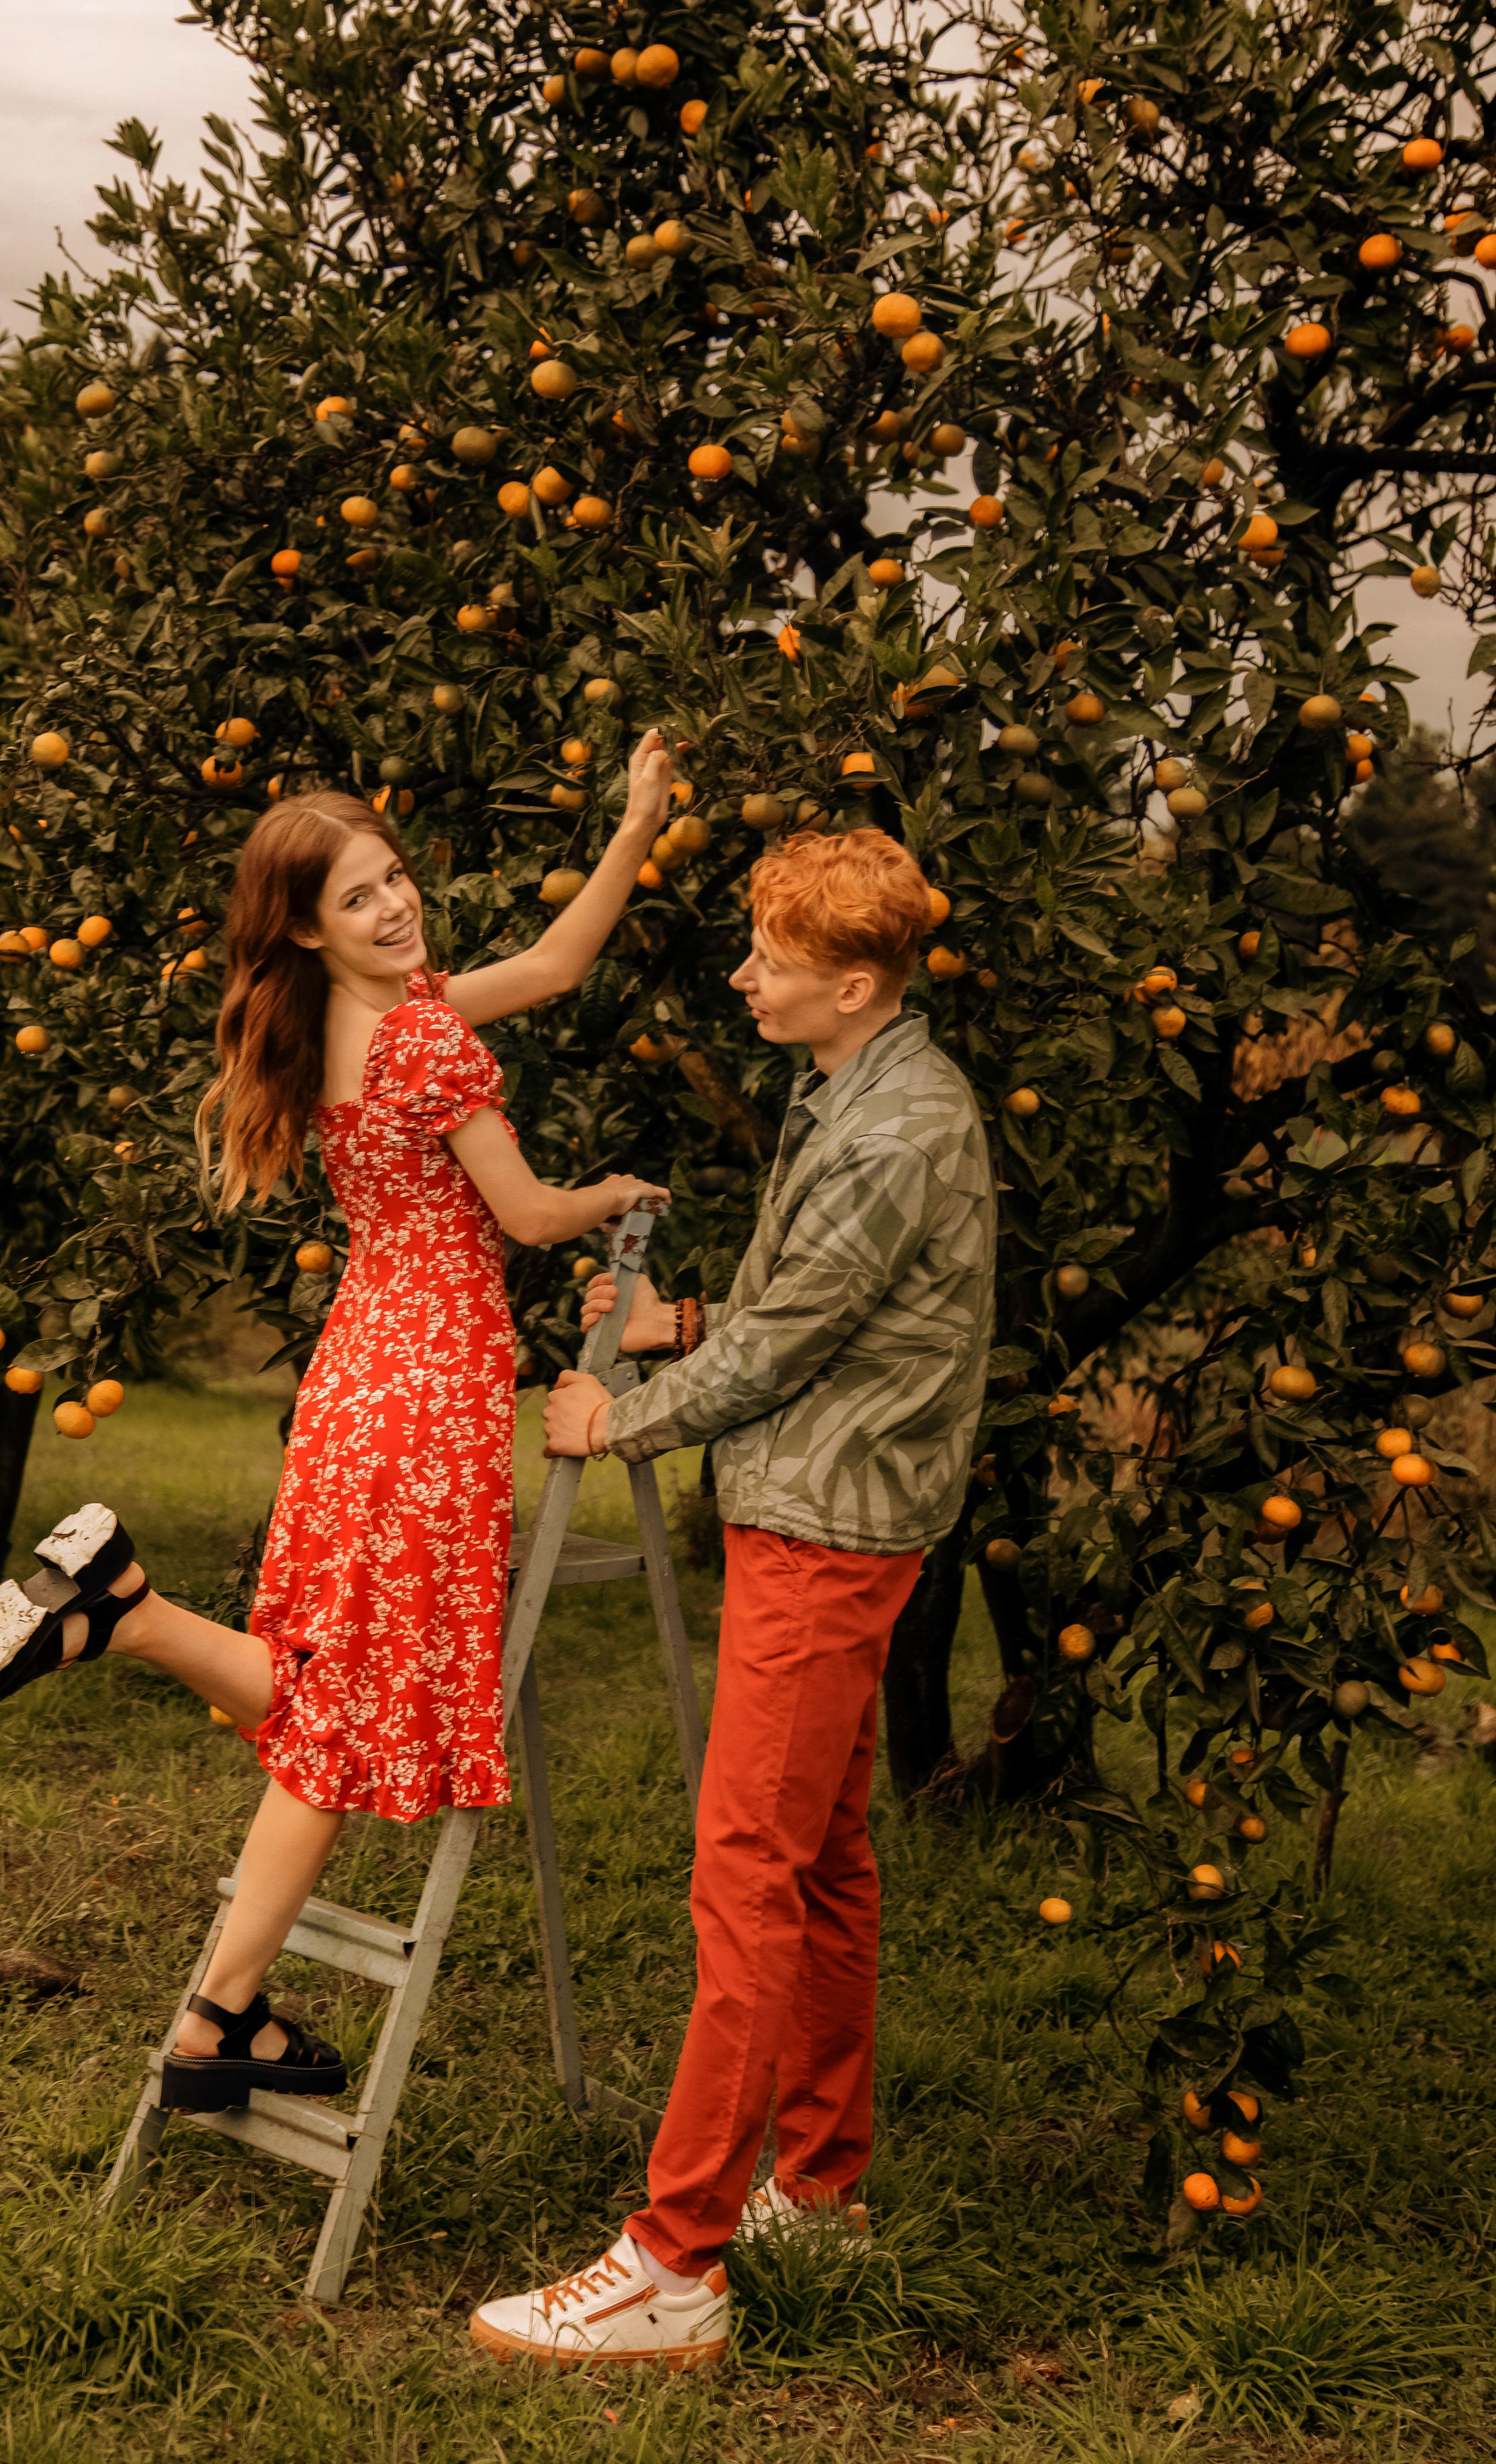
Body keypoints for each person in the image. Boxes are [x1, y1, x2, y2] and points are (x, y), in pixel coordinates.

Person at [0, 736, 672, 2114]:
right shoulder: (426, 1035)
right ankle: (135, 1640)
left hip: (354, 1381)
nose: (395, 905)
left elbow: (558, 963)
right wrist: (608, 1198)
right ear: (301, 923)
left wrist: (633, 823)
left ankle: (128, 1649)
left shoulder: (360, 1018)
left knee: (329, 1691)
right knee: (350, 1709)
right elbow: (520, 1216)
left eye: (393, 876)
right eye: (357, 897)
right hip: (431, 1389)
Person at [469, 823, 996, 2372]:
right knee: (821, 1857)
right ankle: (816, 2189)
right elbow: (808, 1298)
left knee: (746, 1868)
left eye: (768, 957)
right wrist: (679, 1319)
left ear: (852, 981)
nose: (740, 972)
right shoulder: (840, 1081)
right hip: (827, 1501)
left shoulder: (901, 1124)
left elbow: (785, 1354)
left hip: (829, 1523)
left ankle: (670, 2262)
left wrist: (615, 1416)